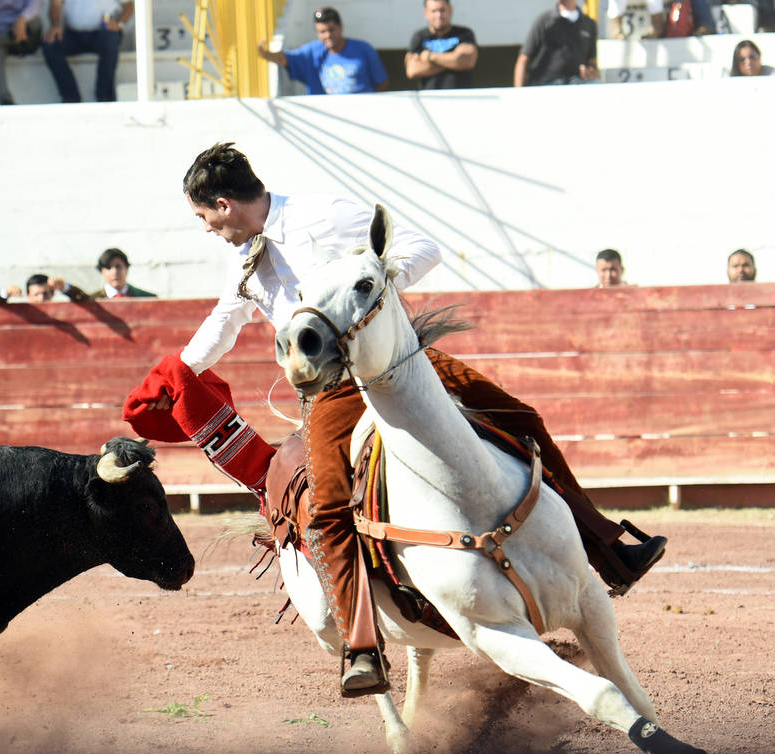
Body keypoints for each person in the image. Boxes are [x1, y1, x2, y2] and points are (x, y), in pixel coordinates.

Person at [155, 143, 666, 696]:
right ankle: (361, 645)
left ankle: (607, 548)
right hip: (330, 388)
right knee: (326, 508)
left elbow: (424, 248)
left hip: (395, 358)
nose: (206, 228)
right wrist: (177, 373)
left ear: (225, 204)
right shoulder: (246, 257)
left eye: (204, 216)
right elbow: (226, 320)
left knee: (521, 419)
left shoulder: (321, 214)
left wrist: (367, 309)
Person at [258, 6, 388, 95]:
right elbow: (284, 59)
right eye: (322, 32)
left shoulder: (363, 49)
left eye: (331, 30)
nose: (328, 35)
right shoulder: (311, 52)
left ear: (340, 27)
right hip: (325, 119)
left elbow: (382, 82)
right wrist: (265, 54)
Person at [41, 0, 130, 103]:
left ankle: (105, 97)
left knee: (111, 38)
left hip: (103, 32)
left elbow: (129, 6)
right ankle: (71, 98)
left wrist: (119, 24)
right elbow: (55, 4)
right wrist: (55, 25)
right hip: (73, 34)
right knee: (50, 43)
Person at [514, 0, 599, 87]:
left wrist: (591, 73)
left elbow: (592, 63)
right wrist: (519, 91)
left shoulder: (589, 24)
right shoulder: (544, 20)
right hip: (545, 85)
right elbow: (523, 59)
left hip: (576, 84)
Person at [404, 0, 478, 90]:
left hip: (460, 96)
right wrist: (453, 60)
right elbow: (412, 70)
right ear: (426, 13)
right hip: (428, 96)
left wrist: (430, 57)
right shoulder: (419, 37)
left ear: (450, 10)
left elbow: (467, 62)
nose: (439, 15)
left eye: (442, 10)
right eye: (434, 11)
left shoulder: (464, 34)